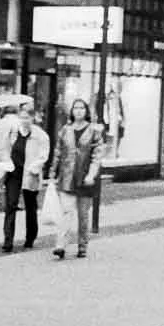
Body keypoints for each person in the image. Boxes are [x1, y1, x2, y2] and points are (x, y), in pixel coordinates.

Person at [0, 100, 50, 251]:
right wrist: (4, 164)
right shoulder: (13, 132)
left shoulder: (40, 135)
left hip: (30, 173)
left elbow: (44, 155)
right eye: (22, 118)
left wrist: (35, 167)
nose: (24, 121)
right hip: (14, 172)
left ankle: (30, 237)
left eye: (27, 118)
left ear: (33, 118)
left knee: (30, 206)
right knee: (10, 205)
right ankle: (8, 241)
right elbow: (4, 149)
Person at [49, 97, 102, 259]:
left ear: (86, 111)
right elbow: (58, 152)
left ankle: (82, 246)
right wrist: (52, 173)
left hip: (85, 179)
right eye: (75, 108)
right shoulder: (65, 130)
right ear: (72, 111)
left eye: (81, 108)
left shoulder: (94, 131)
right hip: (67, 177)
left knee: (83, 216)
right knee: (66, 212)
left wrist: (92, 174)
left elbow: (97, 156)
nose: (78, 111)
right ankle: (60, 244)